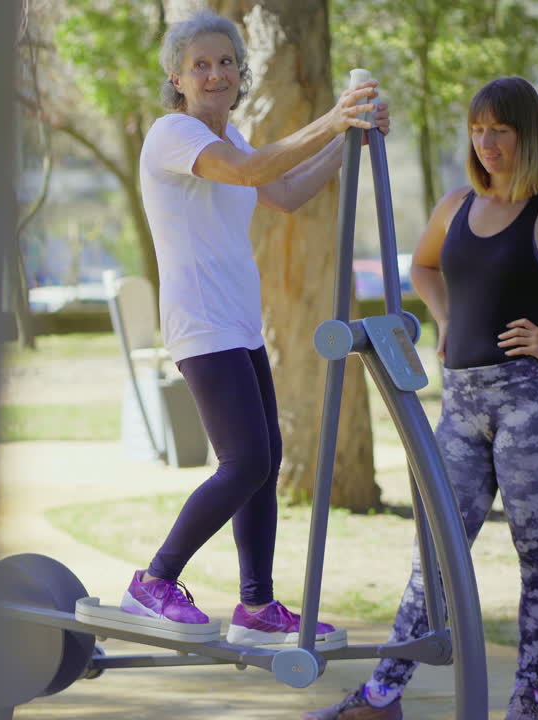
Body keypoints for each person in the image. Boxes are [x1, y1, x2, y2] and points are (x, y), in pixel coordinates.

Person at [304, 77, 538, 720]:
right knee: (434, 554)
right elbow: (425, 267)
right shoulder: (455, 205)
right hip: (461, 407)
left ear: (527, 134)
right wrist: (443, 318)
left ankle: (526, 700)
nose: (485, 142)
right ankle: (382, 696)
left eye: (500, 130)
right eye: (477, 128)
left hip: (532, 410)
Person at [120, 9, 389, 652]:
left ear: (241, 73)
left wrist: (348, 140)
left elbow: (286, 189)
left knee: (264, 465)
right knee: (245, 462)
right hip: (201, 323)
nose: (215, 73)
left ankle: (257, 606)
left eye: (225, 62)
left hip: (239, 324)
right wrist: (333, 117)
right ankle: (153, 581)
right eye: (200, 65)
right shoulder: (172, 134)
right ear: (177, 77)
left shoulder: (233, 138)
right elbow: (250, 175)